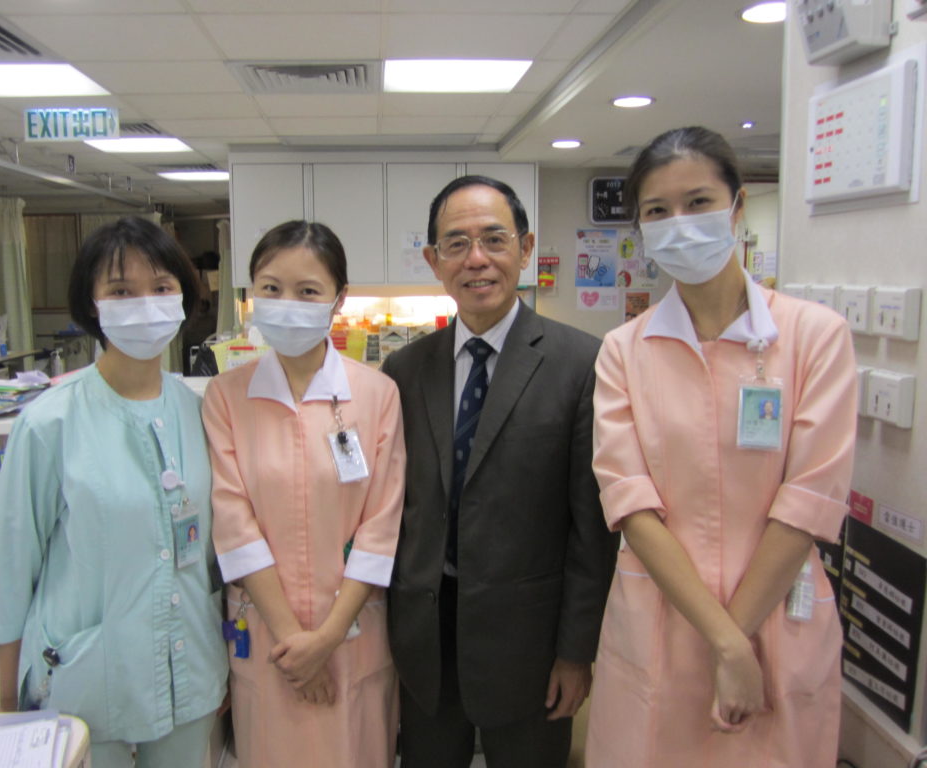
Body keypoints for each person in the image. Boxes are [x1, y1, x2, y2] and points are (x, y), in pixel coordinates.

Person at [585, 126, 857, 768]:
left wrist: (740, 636)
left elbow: (808, 502)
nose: (679, 224)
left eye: (698, 202)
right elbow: (631, 506)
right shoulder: (623, 351)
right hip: (662, 614)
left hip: (777, 615)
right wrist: (727, 644)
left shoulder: (814, 337)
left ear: (736, 206)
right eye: (657, 210)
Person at [380, 176, 618, 768]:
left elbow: (591, 531)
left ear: (525, 247)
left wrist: (576, 651)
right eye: (456, 244)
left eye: (494, 239)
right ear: (433, 260)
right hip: (426, 639)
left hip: (530, 645)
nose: (476, 259)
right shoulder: (404, 370)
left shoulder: (581, 364)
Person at [0, 217, 228, 768]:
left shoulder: (199, 413)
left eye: (161, 287)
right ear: (92, 305)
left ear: (183, 298)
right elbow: (12, 569)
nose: (145, 304)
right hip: (88, 676)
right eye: (121, 291)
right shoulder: (50, 422)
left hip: (189, 669)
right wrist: (6, 701)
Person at [203, 220, 405, 767]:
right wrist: (294, 643)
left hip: (351, 636)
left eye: (308, 291)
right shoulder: (226, 396)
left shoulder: (377, 394)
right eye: (271, 288)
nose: (287, 304)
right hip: (271, 639)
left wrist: (326, 640)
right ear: (251, 293)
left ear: (339, 299)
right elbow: (233, 523)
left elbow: (381, 526)